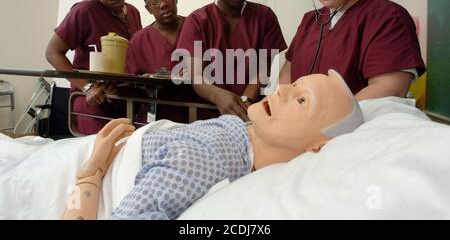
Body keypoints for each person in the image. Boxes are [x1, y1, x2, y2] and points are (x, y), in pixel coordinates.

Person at [62, 69, 364, 220]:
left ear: (318, 146)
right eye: (294, 84)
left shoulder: (208, 158)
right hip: (103, 147)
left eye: (301, 100)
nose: (282, 88)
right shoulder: (242, 129)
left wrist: (90, 174)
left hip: (83, 170)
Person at [278, 0, 426, 101]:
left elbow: (389, 87)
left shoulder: (389, 18)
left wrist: (325, 119)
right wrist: (283, 107)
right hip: (298, 123)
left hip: (358, 125)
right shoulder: (310, 21)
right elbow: (288, 73)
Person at [175, 0, 287, 121]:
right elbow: (198, 77)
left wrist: (245, 101)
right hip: (208, 115)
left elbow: (264, 68)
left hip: (251, 112)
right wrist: (219, 96)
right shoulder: (197, 21)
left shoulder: (264, 17)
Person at [45, 0, 142, 134]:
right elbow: (52, 53)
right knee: (100, 152)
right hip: (92, 101)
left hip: (122, 97)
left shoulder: (133, 12)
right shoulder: (85, 11)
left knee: (127, 152)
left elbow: (133, 56)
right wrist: (87, 87)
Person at [125, 0, 191, 123]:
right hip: (157, 119)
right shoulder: (139, 41)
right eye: (154, 2)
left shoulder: (196, 27)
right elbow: (129, 83)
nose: (163, 5)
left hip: (197, 114)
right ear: (148, 9)